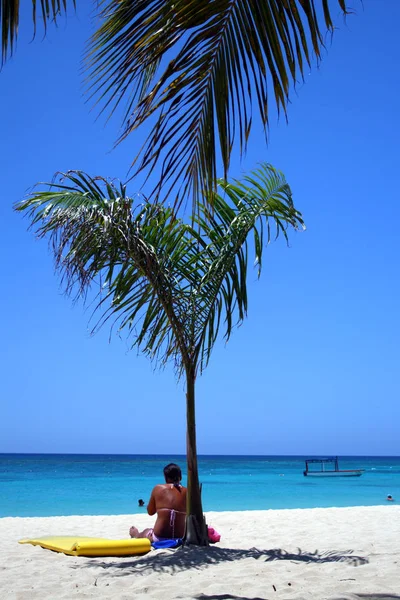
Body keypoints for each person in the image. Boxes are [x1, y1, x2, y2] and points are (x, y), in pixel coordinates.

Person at [129, 463, 187, 542]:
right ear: (180, 477)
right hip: (180, 537)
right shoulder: (187, 491)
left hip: (159, 538)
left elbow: (150, 512)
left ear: (165, 478)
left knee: (146, 531)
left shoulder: (158, 488)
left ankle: (136, 534)